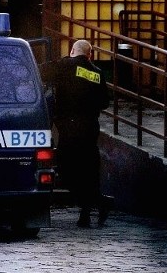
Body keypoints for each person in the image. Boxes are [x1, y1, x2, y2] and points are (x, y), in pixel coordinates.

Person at [44, 39, 113, 227]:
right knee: (88, 170)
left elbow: (41, 72)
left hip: (69, 127)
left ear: (72, 50)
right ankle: (91, 209)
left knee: (66, 168)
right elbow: (105, 102)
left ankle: (95, 205)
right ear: (89, 54)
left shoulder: (65, 65)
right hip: (90, 128)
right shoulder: (97, 73)